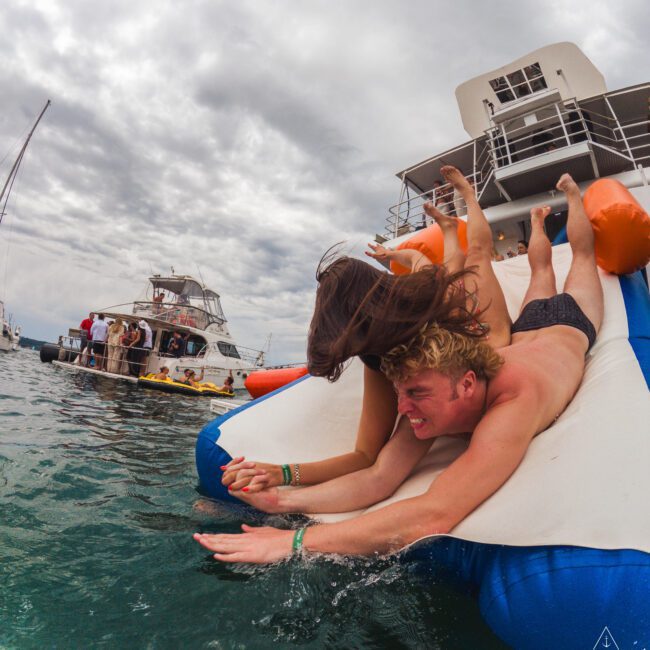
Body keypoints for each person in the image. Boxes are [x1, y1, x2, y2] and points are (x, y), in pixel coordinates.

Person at [194, 173, 604, 563]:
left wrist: (294, 542)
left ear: (464, 384)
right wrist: (281, 496)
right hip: (527, 332)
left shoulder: (509, 396)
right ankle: (535, 220)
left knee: (576, 258)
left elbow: (434, 511)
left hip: (570, 326)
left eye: (413, 395)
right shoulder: (424, 382)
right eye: (402, 393)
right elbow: (377, 476)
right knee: (542, 273)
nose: (402, 407)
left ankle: (569, 198)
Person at [221, 166, 512, 492]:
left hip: (467, 327)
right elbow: (365, 455)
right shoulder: (376, 353)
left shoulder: (424, 300)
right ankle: (445, 227)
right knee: (441, 268)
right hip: (410, 301)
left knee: (472, 261)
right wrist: (283, 473)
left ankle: (467, 199)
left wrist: (397, 253)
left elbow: (418, 261)